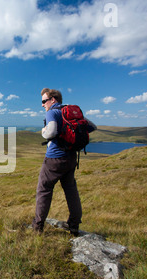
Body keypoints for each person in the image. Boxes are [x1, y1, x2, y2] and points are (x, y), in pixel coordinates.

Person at [32, 88, 97, 236]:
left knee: (44, 190)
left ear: (52, 99)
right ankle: (74, 225)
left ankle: (37, 227)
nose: (42, 105)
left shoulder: (52, 112)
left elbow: (51, 132)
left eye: (44, 101)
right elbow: (92, 127)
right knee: (71, 190)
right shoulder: (70, 112)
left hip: (54, 158)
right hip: (71, 158)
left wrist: (43, 132)